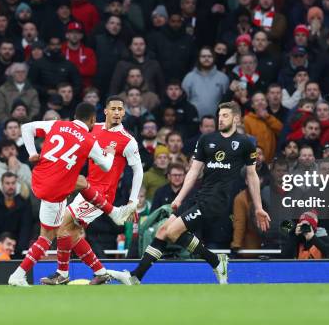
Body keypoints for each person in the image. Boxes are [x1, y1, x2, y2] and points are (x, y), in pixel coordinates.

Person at [110, 102, 270, 285]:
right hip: (200, 195)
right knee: (163, 231)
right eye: (219, 115)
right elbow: (193, 171)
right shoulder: (206, 140)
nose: (221, 119)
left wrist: (258, 207)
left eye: (225, 115)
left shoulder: (245, 143)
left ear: (236, 118)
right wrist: (179, 198)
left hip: (217, 200)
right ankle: (135, 276)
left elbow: (252, 175)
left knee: (172, 232)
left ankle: (216, 262)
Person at [7, 103, 132, 286]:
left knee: (78, 186)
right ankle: (19, 275)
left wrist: (33, 153)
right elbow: (106, 165)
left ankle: (98, 271)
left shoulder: (57, 125)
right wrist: (111, 151)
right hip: (56, 191)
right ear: (92, 120)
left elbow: (26, 128)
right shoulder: (89, 141)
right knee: (47, 237)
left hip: (39, 181)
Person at [41, 96, 143, 286]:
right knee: (71, 233)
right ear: (105, 111)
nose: (117, 113)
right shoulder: (93, 128)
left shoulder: (127, 140)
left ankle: (63, 273)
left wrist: (132, 200)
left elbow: (138, 170)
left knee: (63, 226)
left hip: (102, 194)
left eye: (120, 109)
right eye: (113, 109)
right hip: (86, 189)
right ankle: (100, 272)